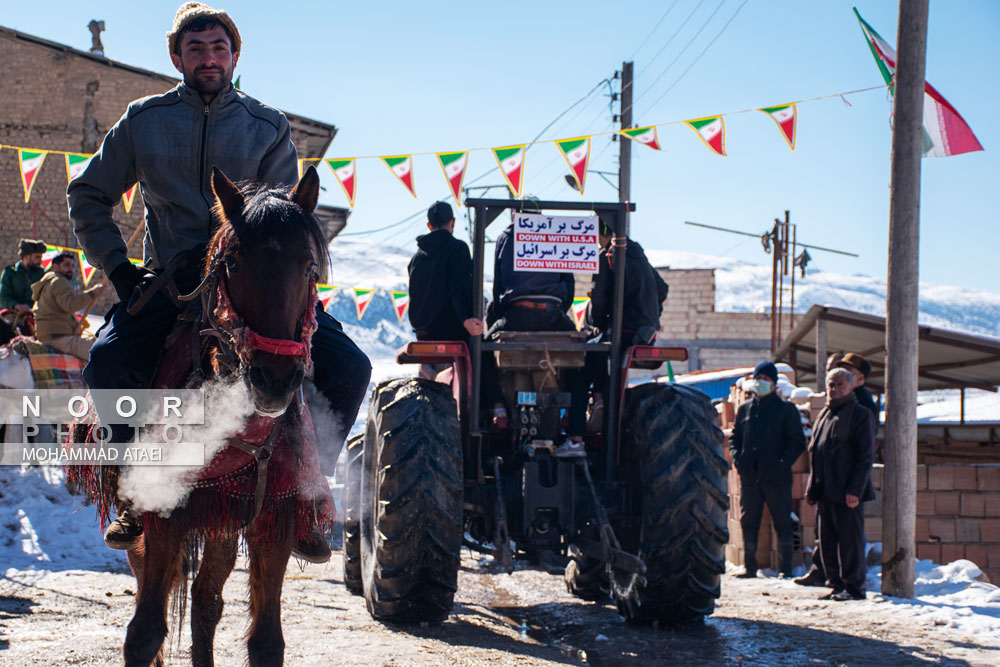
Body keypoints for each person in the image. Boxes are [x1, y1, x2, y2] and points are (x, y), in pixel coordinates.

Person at [67, 2, 371, 562]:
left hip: (252, 282)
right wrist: (119, 272)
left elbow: (286, 217)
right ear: (177, 57)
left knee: (352, 367)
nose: (208, 58)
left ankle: (308, 498)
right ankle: (135, 495)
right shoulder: (143, 120)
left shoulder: (267, 125)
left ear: (234, 55)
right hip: (172, 283)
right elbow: (87, 196)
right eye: (196, 49)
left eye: (218, 48)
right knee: (109, 364)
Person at [487, 203, 579, 456]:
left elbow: (498, 286)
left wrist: (499, 314)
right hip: (553, 315)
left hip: (518, 314)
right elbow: (568, 286)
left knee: (482, 350)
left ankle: (497, 407)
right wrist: (558, 312)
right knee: (586, 352)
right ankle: (577, 418)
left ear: (516, 216)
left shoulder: (506, 236)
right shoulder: (556, 235)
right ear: (539, 217)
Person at [408, 201, 506, 426]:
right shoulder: (457, 248)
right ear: (452, 223)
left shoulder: (417, 257)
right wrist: (467, 319)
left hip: (423, 333)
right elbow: (458, 288)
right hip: (452, 330)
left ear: (429, 225)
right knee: (484, 350)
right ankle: (497, 408)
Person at [795, 351, 878, 587]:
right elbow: (817, 452)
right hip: (828, 489)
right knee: (828, 540)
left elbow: (864, 456)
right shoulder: (827, 413)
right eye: (831, 385)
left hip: (847, 490)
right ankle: (833, 581)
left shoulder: (861, 411)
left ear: (854, 384)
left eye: (841, 384)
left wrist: (855, 489)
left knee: (850, 541)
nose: (835, 388)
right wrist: (813, 487)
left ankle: (853, 586)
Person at [730, 360, 806, 578]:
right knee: (749, 522)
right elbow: (735, 439)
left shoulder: (785, 410)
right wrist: (739, 460)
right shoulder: (745, 410)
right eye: (758, 379)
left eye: (765, 379)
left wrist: (781, 463)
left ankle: (786, 569)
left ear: (774, 384)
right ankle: (750, 568)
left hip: (777, 478)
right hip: (750, 478)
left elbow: (797, 442)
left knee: (782, 522)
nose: (760, 383)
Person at [30, 252, 105, 359]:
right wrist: (92, 293)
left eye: (72, 265)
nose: (71, 268)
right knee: (101, 353)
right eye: (66, 265)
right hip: (58, 338)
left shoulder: (49, 282)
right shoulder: (59, 281)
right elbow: (70, 305)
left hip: (50, 335)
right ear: (55, 267)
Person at [1, 239, 47, 313]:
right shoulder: (10, 273)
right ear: (26, 257)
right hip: (12, 314)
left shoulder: (44, 275)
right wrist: (15, 305)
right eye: (37, 257)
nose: (40, 261)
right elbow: (3, 297)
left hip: (35, 316)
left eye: (41, 257)